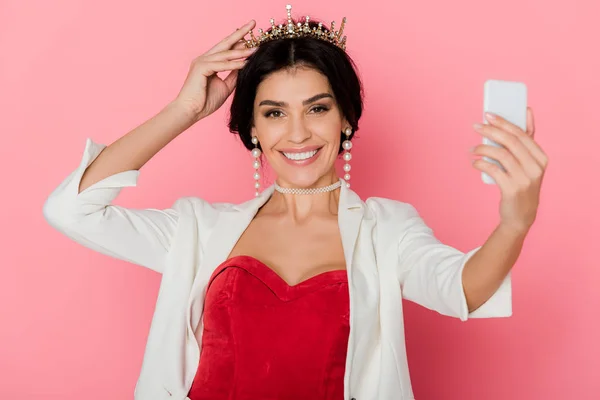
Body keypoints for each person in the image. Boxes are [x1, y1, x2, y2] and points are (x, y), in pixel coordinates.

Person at [43, 4, 548, 400]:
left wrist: (515, 221)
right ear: (253, 130)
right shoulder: (198, 229)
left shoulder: (386, 230)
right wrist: (184, 109)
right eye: (274, 113)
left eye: (318, 108)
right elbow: (74, 210)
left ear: (346, 118)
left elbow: (462, 289)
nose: (298, 132)